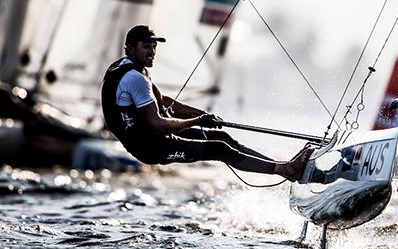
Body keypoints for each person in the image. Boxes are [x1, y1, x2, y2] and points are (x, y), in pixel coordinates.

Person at [101, 24, 312, 180]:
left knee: (221, 135)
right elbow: (159, 124)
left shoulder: (131, 69)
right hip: (150, 147)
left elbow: (164, 101)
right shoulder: (134, 78)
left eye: (154, 46)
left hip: (153, 136)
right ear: (129, 49)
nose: (152, 51)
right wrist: (197, 121)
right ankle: (284, 170)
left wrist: (204, 116)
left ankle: (282, 166)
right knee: (219, 149)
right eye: (147, 46)